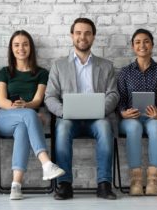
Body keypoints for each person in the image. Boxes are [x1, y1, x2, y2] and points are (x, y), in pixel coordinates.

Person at [45, 18, 119, 200]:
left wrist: (101, 110)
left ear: (93, 37)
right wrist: (64, 111)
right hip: (69, 118)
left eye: (87, 33)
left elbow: (114, 94)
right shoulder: (59, 65)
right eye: (78, 33)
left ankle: (104, 184)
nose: (82, 37)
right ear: (72, 36)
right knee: (62, 128)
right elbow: (50, 96)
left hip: (98, 117)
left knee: (104, 127)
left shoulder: (106, 65)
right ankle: (64, 184)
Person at [0, 30, 65, 200]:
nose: (21, 48)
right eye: (16, 45)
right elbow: (1, 101)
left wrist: (26, 106)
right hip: (4, 117)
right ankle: (46, 163)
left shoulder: (42, 73)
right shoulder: (4, 72)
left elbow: (38, 100)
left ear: (31, 48)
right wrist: (21, 109)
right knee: (29, 115)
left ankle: (15, 186)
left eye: (25, 44)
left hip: (25, 119)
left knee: (23, 129)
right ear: (11, 49)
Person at [117, 29, 157, 196]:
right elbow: (120, 100)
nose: (142, 45)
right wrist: (123, 113)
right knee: (133, 128)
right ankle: (136, 180)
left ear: (152, 45)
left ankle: (153, 180)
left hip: (153, 117)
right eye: (138, 42)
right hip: (130, 119)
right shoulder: (125, 72)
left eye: (146, 41)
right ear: (133, 47)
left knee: (155, 128)